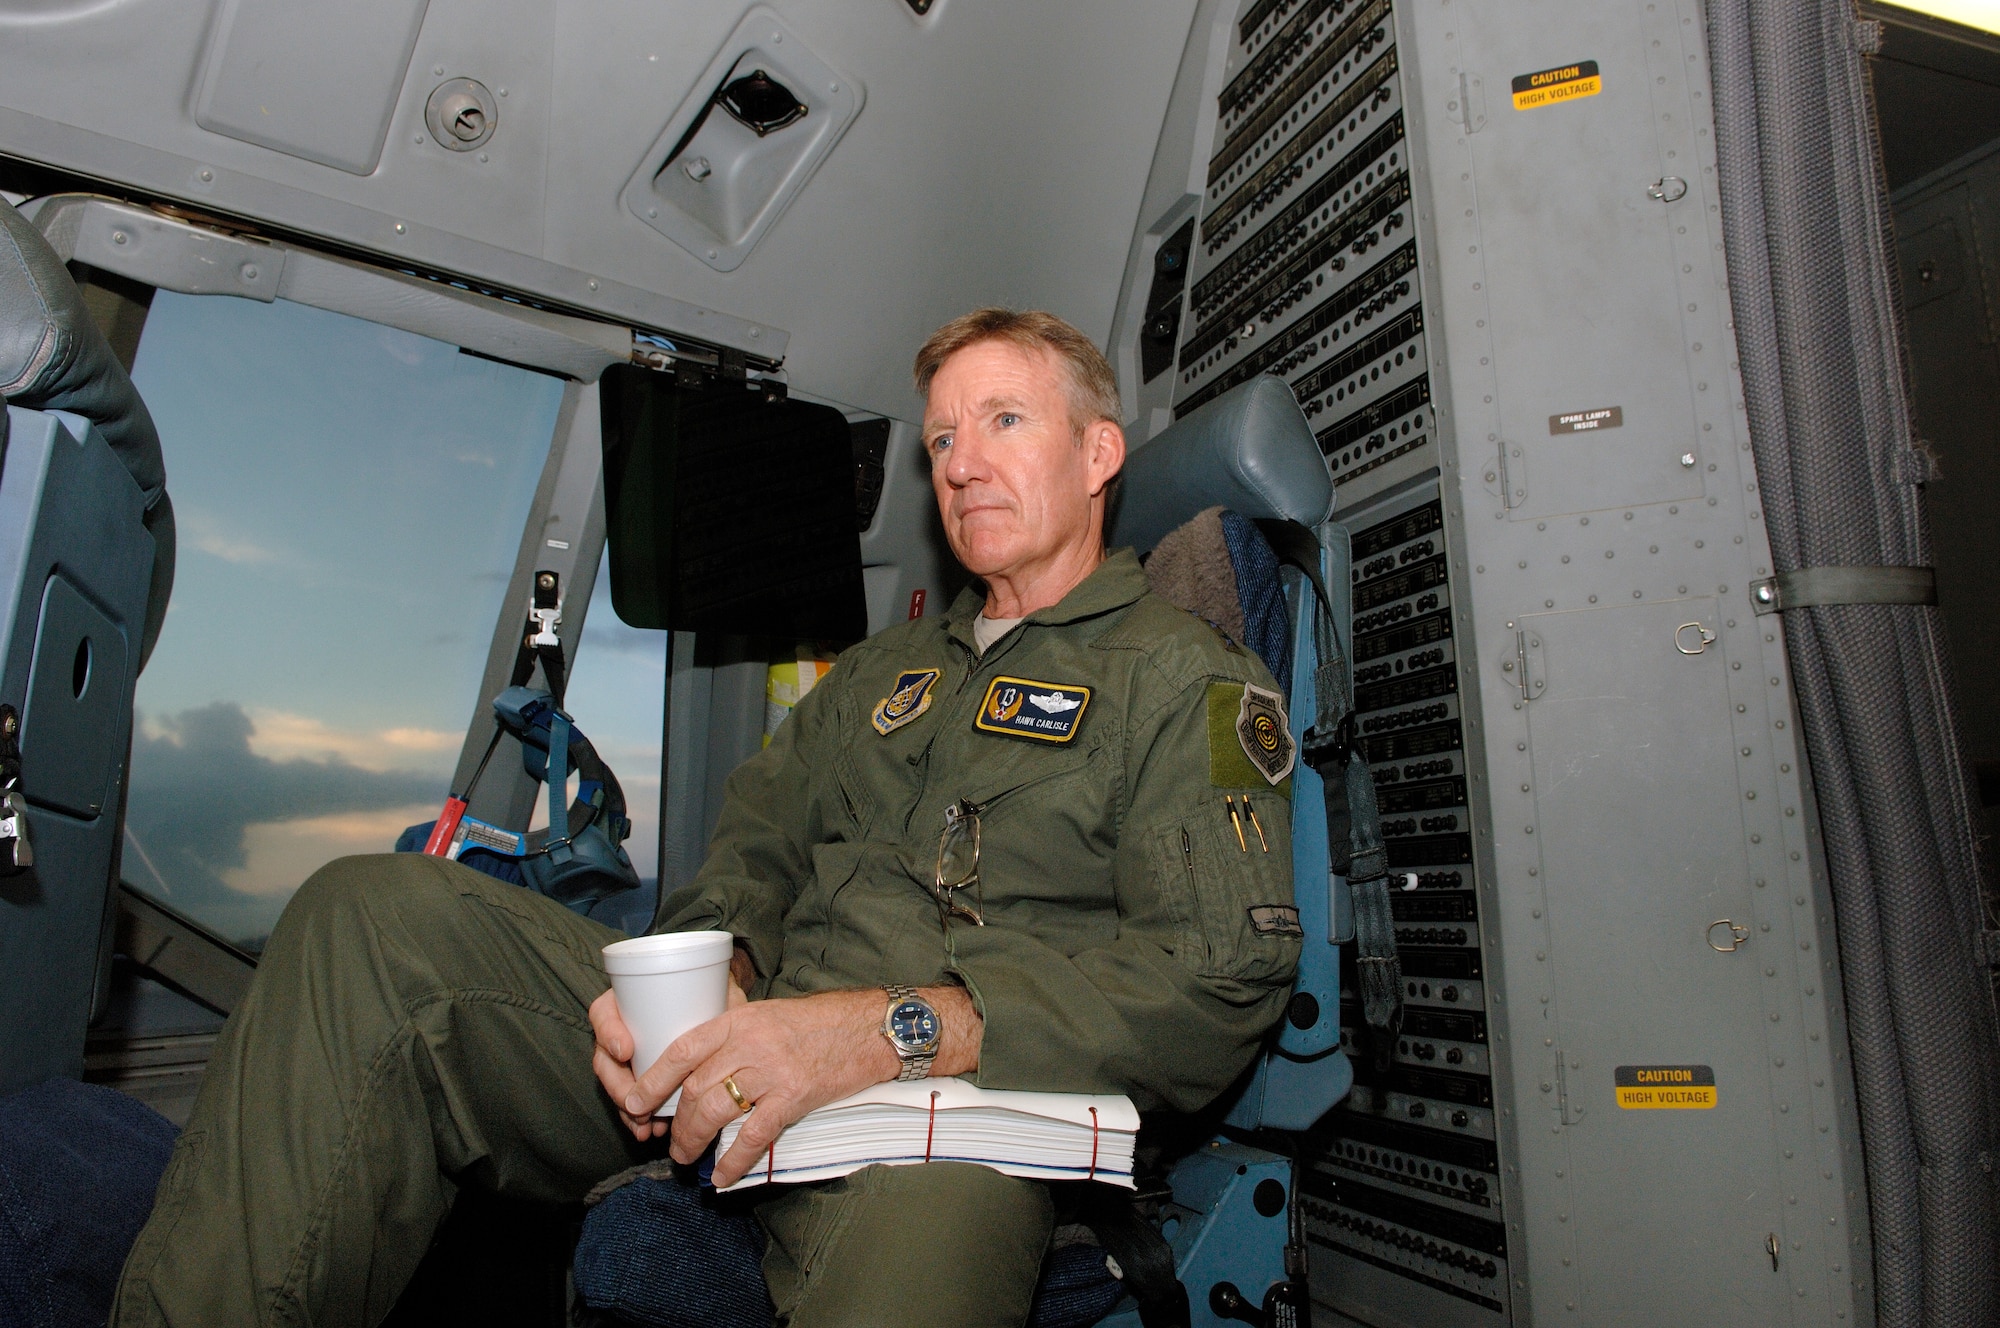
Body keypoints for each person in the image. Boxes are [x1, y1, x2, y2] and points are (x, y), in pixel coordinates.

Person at [112, 309, 1301, 1328]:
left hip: (949, 1114)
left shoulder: (1180, 677)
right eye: (940, 435)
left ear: (1098, 452)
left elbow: (1213, 977)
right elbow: (756, 840)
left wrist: (883, 1029)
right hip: (749, 1048)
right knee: (369, 919)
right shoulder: (887, 668)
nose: (958, 461)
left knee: (941, 1215)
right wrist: (718, 968)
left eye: (1001, 421)